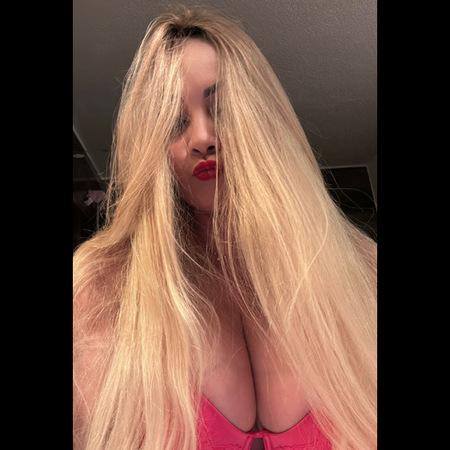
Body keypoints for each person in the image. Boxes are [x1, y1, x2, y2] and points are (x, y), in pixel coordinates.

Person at [73, 5, 377, 450]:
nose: (202, 138)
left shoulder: (363, 269)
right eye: (174, 121)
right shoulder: (101, 288)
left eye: (224, 110)